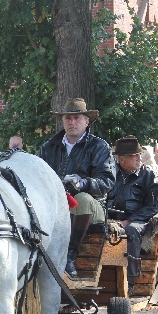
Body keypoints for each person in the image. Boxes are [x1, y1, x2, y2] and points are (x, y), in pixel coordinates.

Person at [38, 98, 116, 277]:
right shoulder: (48, 148)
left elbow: (107, 182)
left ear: (86, 121)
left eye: (77, 118)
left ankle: (69, 256)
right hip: (56, 204)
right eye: (68, 118)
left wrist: (83, 183)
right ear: (62, 121)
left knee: (81, 200)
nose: (72, 122)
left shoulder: (98, 146)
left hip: (93, 207)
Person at [107, 136, 158, 294]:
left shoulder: (150, 175)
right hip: (110, 218)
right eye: (134, 155)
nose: (139, 158)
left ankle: (130, 282)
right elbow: (101, 198)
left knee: (131, 230)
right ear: (121, 159)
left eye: (139, 154)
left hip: (139, 220)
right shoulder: (110, 174)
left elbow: (153, 207)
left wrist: (127, 221)